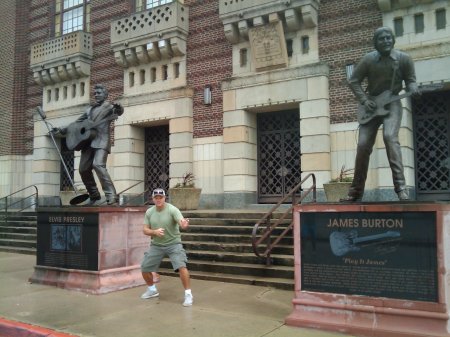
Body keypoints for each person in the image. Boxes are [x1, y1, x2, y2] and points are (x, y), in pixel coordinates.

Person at [341, 27, 420, 202]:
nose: (385, 41)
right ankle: (355, 192)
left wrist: (413, 88)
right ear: (375, 43)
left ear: (393, 40)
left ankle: (401, 189)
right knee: (362, 145)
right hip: (371, 107)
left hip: (392, 104)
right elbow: (353, 81)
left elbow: (411, 80)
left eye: (388, 38)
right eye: (381, 39)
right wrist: (363, 100)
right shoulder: (369, 59)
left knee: (390, 137)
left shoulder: (404, 59)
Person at [53, 84, 123, 205]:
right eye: (95, 93)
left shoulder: (108, 107)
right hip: (88, 143)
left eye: (99, 93)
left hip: (101, 141)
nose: (96, 95)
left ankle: (112, 196)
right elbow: (76, 124)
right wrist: (62, 130)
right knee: (83, 169)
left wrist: (119, 108)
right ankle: (94, 195)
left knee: (98, 165)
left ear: (105, 95)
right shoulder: (89, 110)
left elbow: (118, 111)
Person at [140, 188, 193, 307]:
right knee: (145, 268)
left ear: (164, 198)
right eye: (156, 198)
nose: (158, 200)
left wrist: (184, 224)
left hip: (174, 244)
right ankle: (152, 290)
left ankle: (188, 294)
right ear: (153, 199)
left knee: (181, 266)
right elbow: (145, 229)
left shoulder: (172, 209)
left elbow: (181, 222)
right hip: (157, 245)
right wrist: (154, 232)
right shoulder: (149, 212)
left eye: (161, 197)